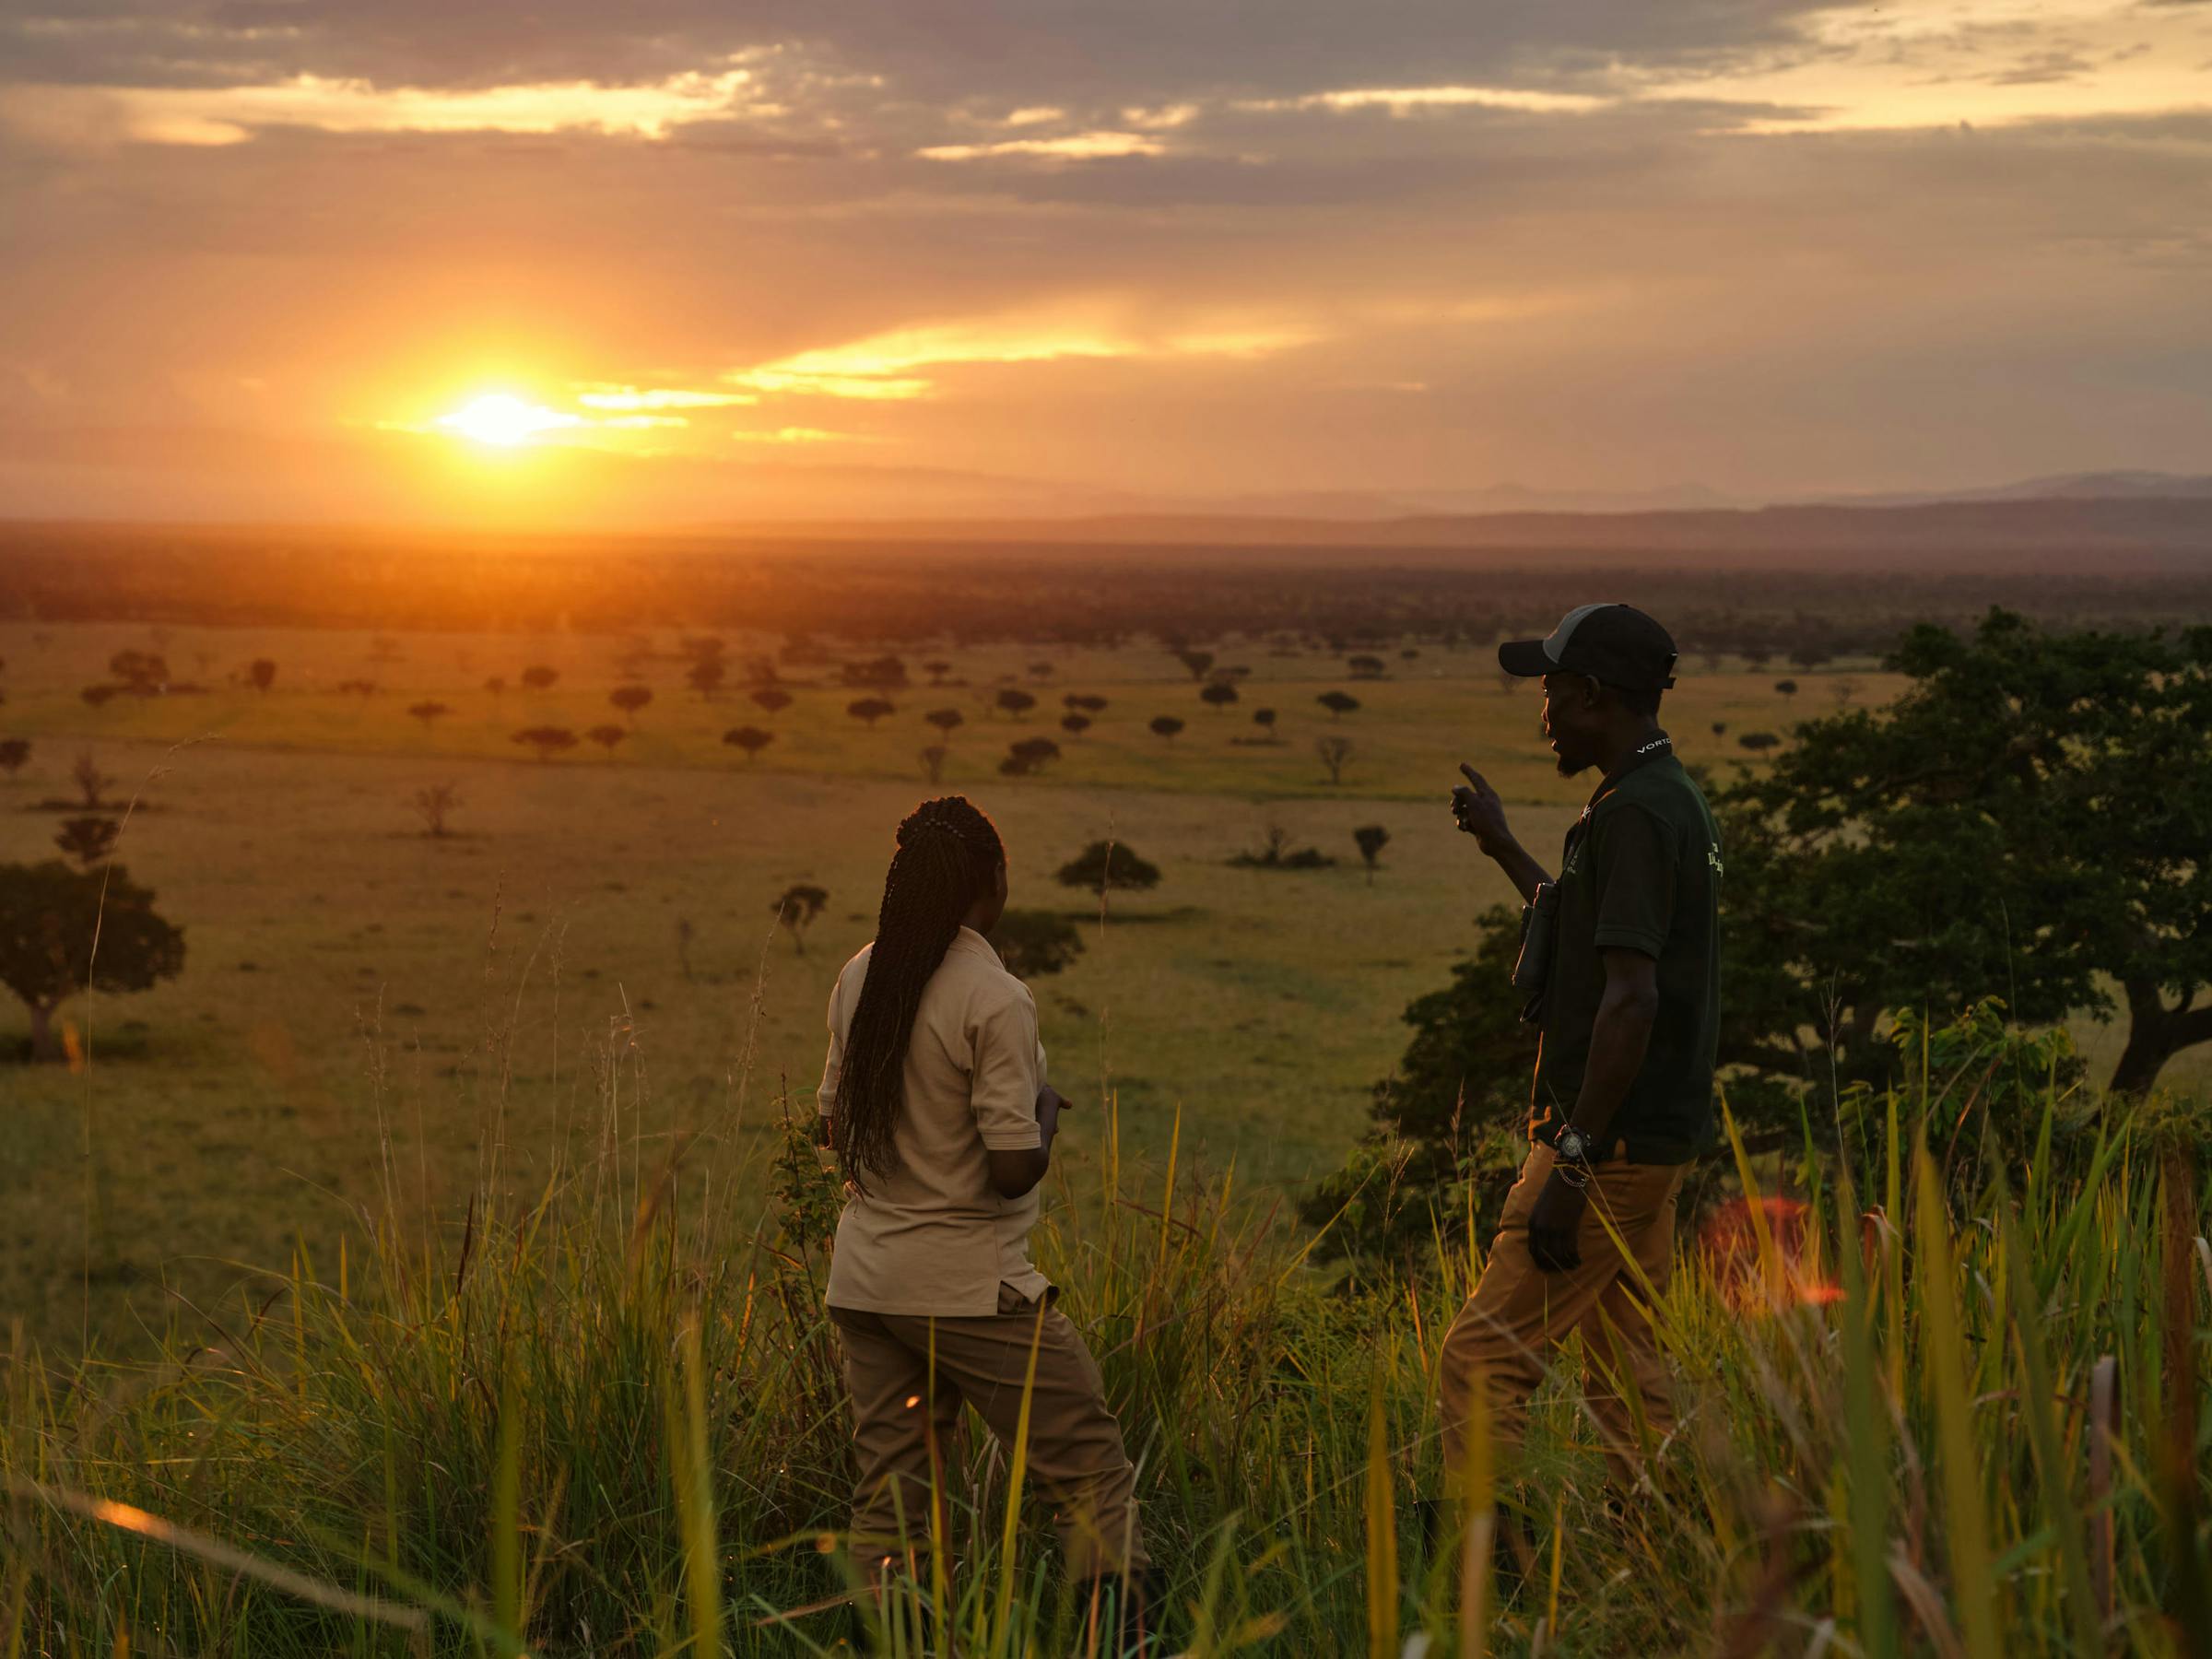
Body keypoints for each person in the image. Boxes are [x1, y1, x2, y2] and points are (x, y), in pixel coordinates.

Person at [816, 794, 1152, 1645]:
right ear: (993, 882)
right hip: (967, 1282)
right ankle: (1122, 1641)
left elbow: (832, 1128)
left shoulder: (862, 974)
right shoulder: (994, 994)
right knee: (1087, 1467)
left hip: (866, 1279)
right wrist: (1043, 1111)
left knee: (891, 1499)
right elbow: (1011, 1172)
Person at [1435, 604, 1723, 1536]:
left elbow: (1630, 999)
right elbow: (1591, 932)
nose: (1546, 713)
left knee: (1480, 1362)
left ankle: (1484, 1585)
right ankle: (1670, 1558)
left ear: (1595, 697)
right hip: (1652, 1139)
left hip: (1611, 1142)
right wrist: (1503, 845)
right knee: (1628, 1367)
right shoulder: (1659, 795)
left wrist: (1573, 1158)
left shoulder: (1637, 814)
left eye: (1553, 693)